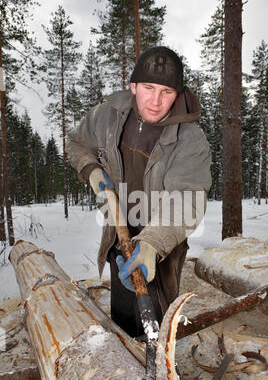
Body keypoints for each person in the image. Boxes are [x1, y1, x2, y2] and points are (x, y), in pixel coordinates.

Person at [66, 46, 212, 338]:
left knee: (157, 324)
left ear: (178, 94)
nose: (156, 102)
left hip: (162, 245)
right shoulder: (107, 116)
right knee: (123, 317)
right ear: (133, 86)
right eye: (148, 88)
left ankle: (157, 370)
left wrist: (152, 245)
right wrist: (92, 170)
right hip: (119, 235)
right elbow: (76, 142)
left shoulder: (190, 139)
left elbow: (187, 198)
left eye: (166, 92)